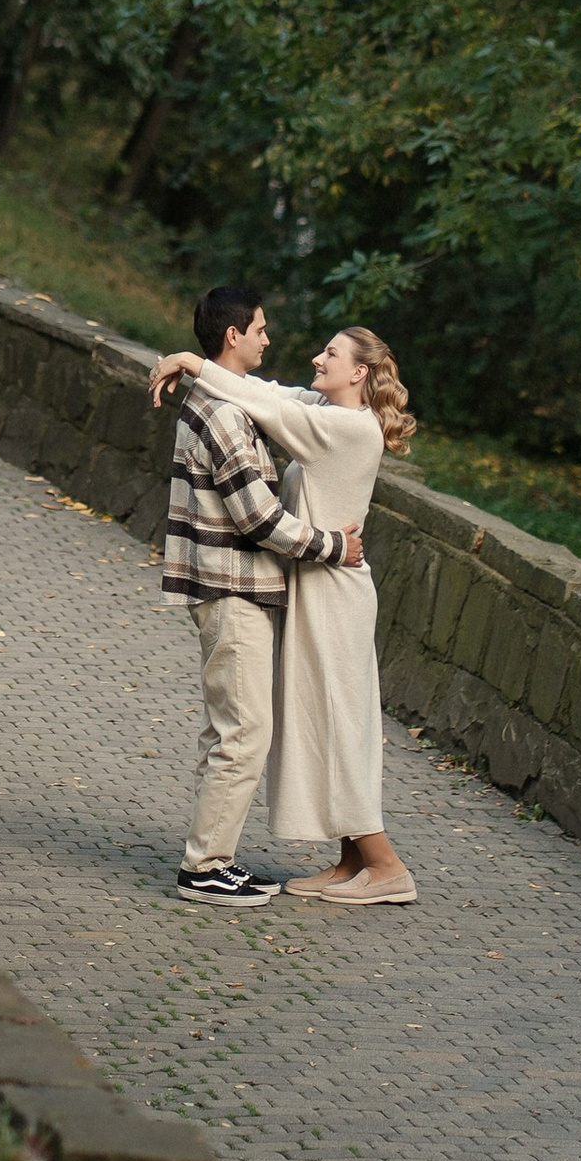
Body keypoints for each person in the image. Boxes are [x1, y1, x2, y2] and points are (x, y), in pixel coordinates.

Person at [152, 313, 418, 905]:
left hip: (333, 593)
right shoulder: (326, 412)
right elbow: (267, 391)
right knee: (323, 719)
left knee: (338, 725)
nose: (317, 359)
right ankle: (351, 861)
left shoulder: (347, 428)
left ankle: (386, 867)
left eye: (332, 354)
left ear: (360, 372)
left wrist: (192, 363)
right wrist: (201, 367)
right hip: (313, 586)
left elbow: (263, 404)